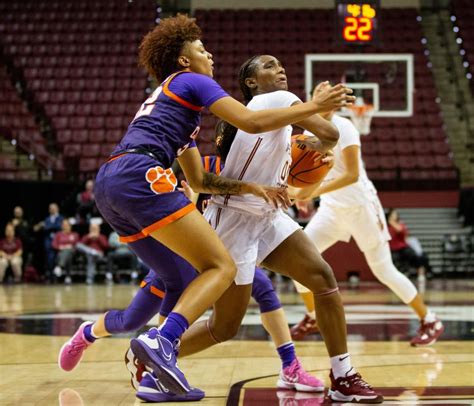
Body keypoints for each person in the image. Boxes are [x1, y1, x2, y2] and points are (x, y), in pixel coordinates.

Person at [57, 14, 352, 399]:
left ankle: (157, 370)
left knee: (176, 281)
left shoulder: (176, 111)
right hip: (142, 173)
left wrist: (252, 186)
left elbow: (200, 181)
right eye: (200, 49)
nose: (209, 55)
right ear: (184, 60)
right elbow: (250, 120)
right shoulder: (192, 81)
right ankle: (163, 342)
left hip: (110, 183)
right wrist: (311, 107)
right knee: (220, 266)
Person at [132, 54, 382, 403]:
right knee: (224, 327)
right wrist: (320, 139)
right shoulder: (276, 100)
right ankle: (152, 357)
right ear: (251, 82)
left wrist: (301, 156)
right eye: (268, 65)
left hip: (267, 212)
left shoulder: (246, 121)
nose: (280, 69)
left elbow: (213, 180)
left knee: (322, 278)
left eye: (281, 64)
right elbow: (330, 132)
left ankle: (343, 374)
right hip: (233, 221)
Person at [58, 156, 324, 402]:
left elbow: (282, 192)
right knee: (131, 320)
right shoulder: (202, 169)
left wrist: (310, 185)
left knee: (264, 287)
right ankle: (87, 334)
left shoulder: (251, 174)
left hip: (217, 258)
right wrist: (189, 198)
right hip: (179, 258)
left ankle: (290, 364)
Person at [290, 106, 444, 348]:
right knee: (298, 259)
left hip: (360, 206)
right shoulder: (310, 132)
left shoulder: (345, 127)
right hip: (331, 209)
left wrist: (312, 193)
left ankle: (430, 320)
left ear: (333, 104)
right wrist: (303, 193)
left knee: (384, 270)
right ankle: (313, 317)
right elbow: (315, 172)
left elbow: (351, 175)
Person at [387, 208, 432, 279]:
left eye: (395, 214)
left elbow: (401, 231)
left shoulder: (400, 224)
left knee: (415, 255)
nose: (394, 215)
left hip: (403, 248)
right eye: (393, 214)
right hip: (392, 249)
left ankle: (420, 273)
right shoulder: (387, 227)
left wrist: (392, 222)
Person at [33, 203, 64, 280]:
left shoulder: (61, 218)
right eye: (50, 208)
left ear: (57, 209)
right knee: (49, 258)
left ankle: (59, 275)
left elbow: (59, 226)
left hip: (60, 240)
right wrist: (47, 227)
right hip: (48, 241)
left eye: (53, 208)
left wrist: (47, 226)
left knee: (59, 257)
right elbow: (45, 229)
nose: (52, 209)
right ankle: (51, 275)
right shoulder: (47, 219)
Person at [52, 219, 80, 284]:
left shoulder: (75, 234)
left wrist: (71, 247)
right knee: (67, 255)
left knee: (68, 251)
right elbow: (54, 244)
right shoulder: (58, 234)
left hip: (73, 253)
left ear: (70, 226)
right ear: (62, 226)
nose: (65, 226)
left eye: (67, 225)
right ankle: (68, 277)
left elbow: (78, 245)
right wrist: (60, 247)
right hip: (60, 253)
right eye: (64, 225)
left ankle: (59, 266)